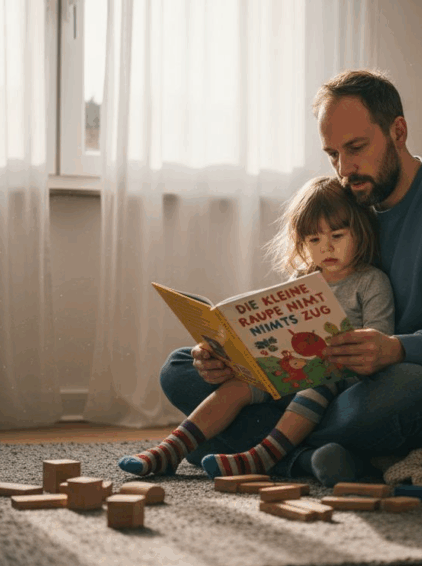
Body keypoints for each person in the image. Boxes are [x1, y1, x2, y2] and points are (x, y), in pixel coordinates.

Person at [158, 69, 422, 486]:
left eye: (357, 147)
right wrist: (235, 359)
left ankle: (235, 443)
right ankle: (313, 459)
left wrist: (396, 349)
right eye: (332, 154)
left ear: (398, 131)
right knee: (180, 369)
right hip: (338, 379)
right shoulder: (353, 203)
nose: (345, 168)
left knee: (387, 397)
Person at [118, 176, 395, 479]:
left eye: (338, 236)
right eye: (314, 240)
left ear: (361, 232)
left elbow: (378, 343)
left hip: (337, 382)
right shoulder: (301, 281)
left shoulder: (370, 282)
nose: (326, 247)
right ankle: (171, 450)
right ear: (301, 242)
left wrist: (342, 351)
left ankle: (261, 457)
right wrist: (232, 354)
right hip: (288, 373)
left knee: (316, 384)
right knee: (229, 382)